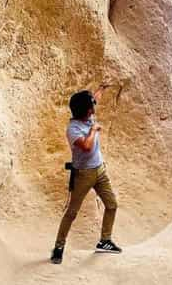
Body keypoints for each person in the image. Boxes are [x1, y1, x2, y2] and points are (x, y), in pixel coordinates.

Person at [50, 87, 121, 264]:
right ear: (84, 111)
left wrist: (102, 88)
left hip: (100, 170)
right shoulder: (73, 129)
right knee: (72, 213)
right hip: (84, 174)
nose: (93, 110)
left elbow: (94, 98)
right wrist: (94, 130)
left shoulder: (87, 113)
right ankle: (59, 247)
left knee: (112, 205)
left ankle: (105, 241)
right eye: (90, 108)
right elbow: (87, 146)